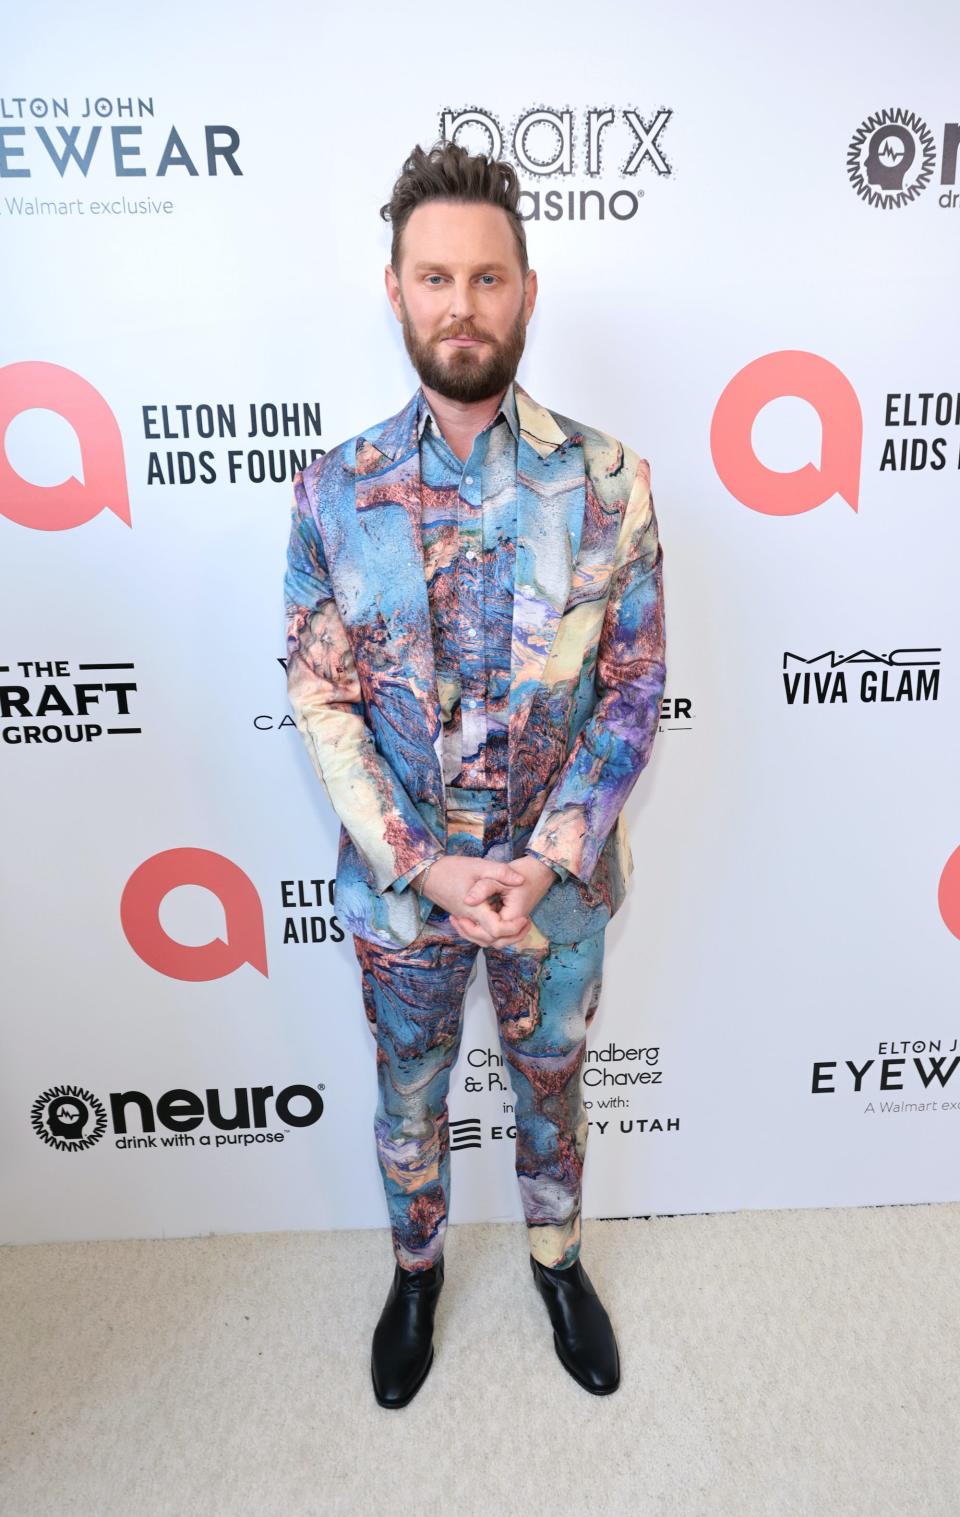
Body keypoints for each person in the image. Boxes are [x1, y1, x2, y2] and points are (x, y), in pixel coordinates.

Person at [283, 139, 666, 1408]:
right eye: (435, 276)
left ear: (526, 292)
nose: (463, 304)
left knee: (552, 1084)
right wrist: (426, 860)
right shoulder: (331, 491)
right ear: (393, 288)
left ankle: (557, 1260)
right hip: (404, 891)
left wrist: (545, 853)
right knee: (411, 1091)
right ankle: (415, 1271)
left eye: (487, 278)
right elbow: (324, 701)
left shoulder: (607, 482)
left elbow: (632, 689)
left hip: (552, 888)